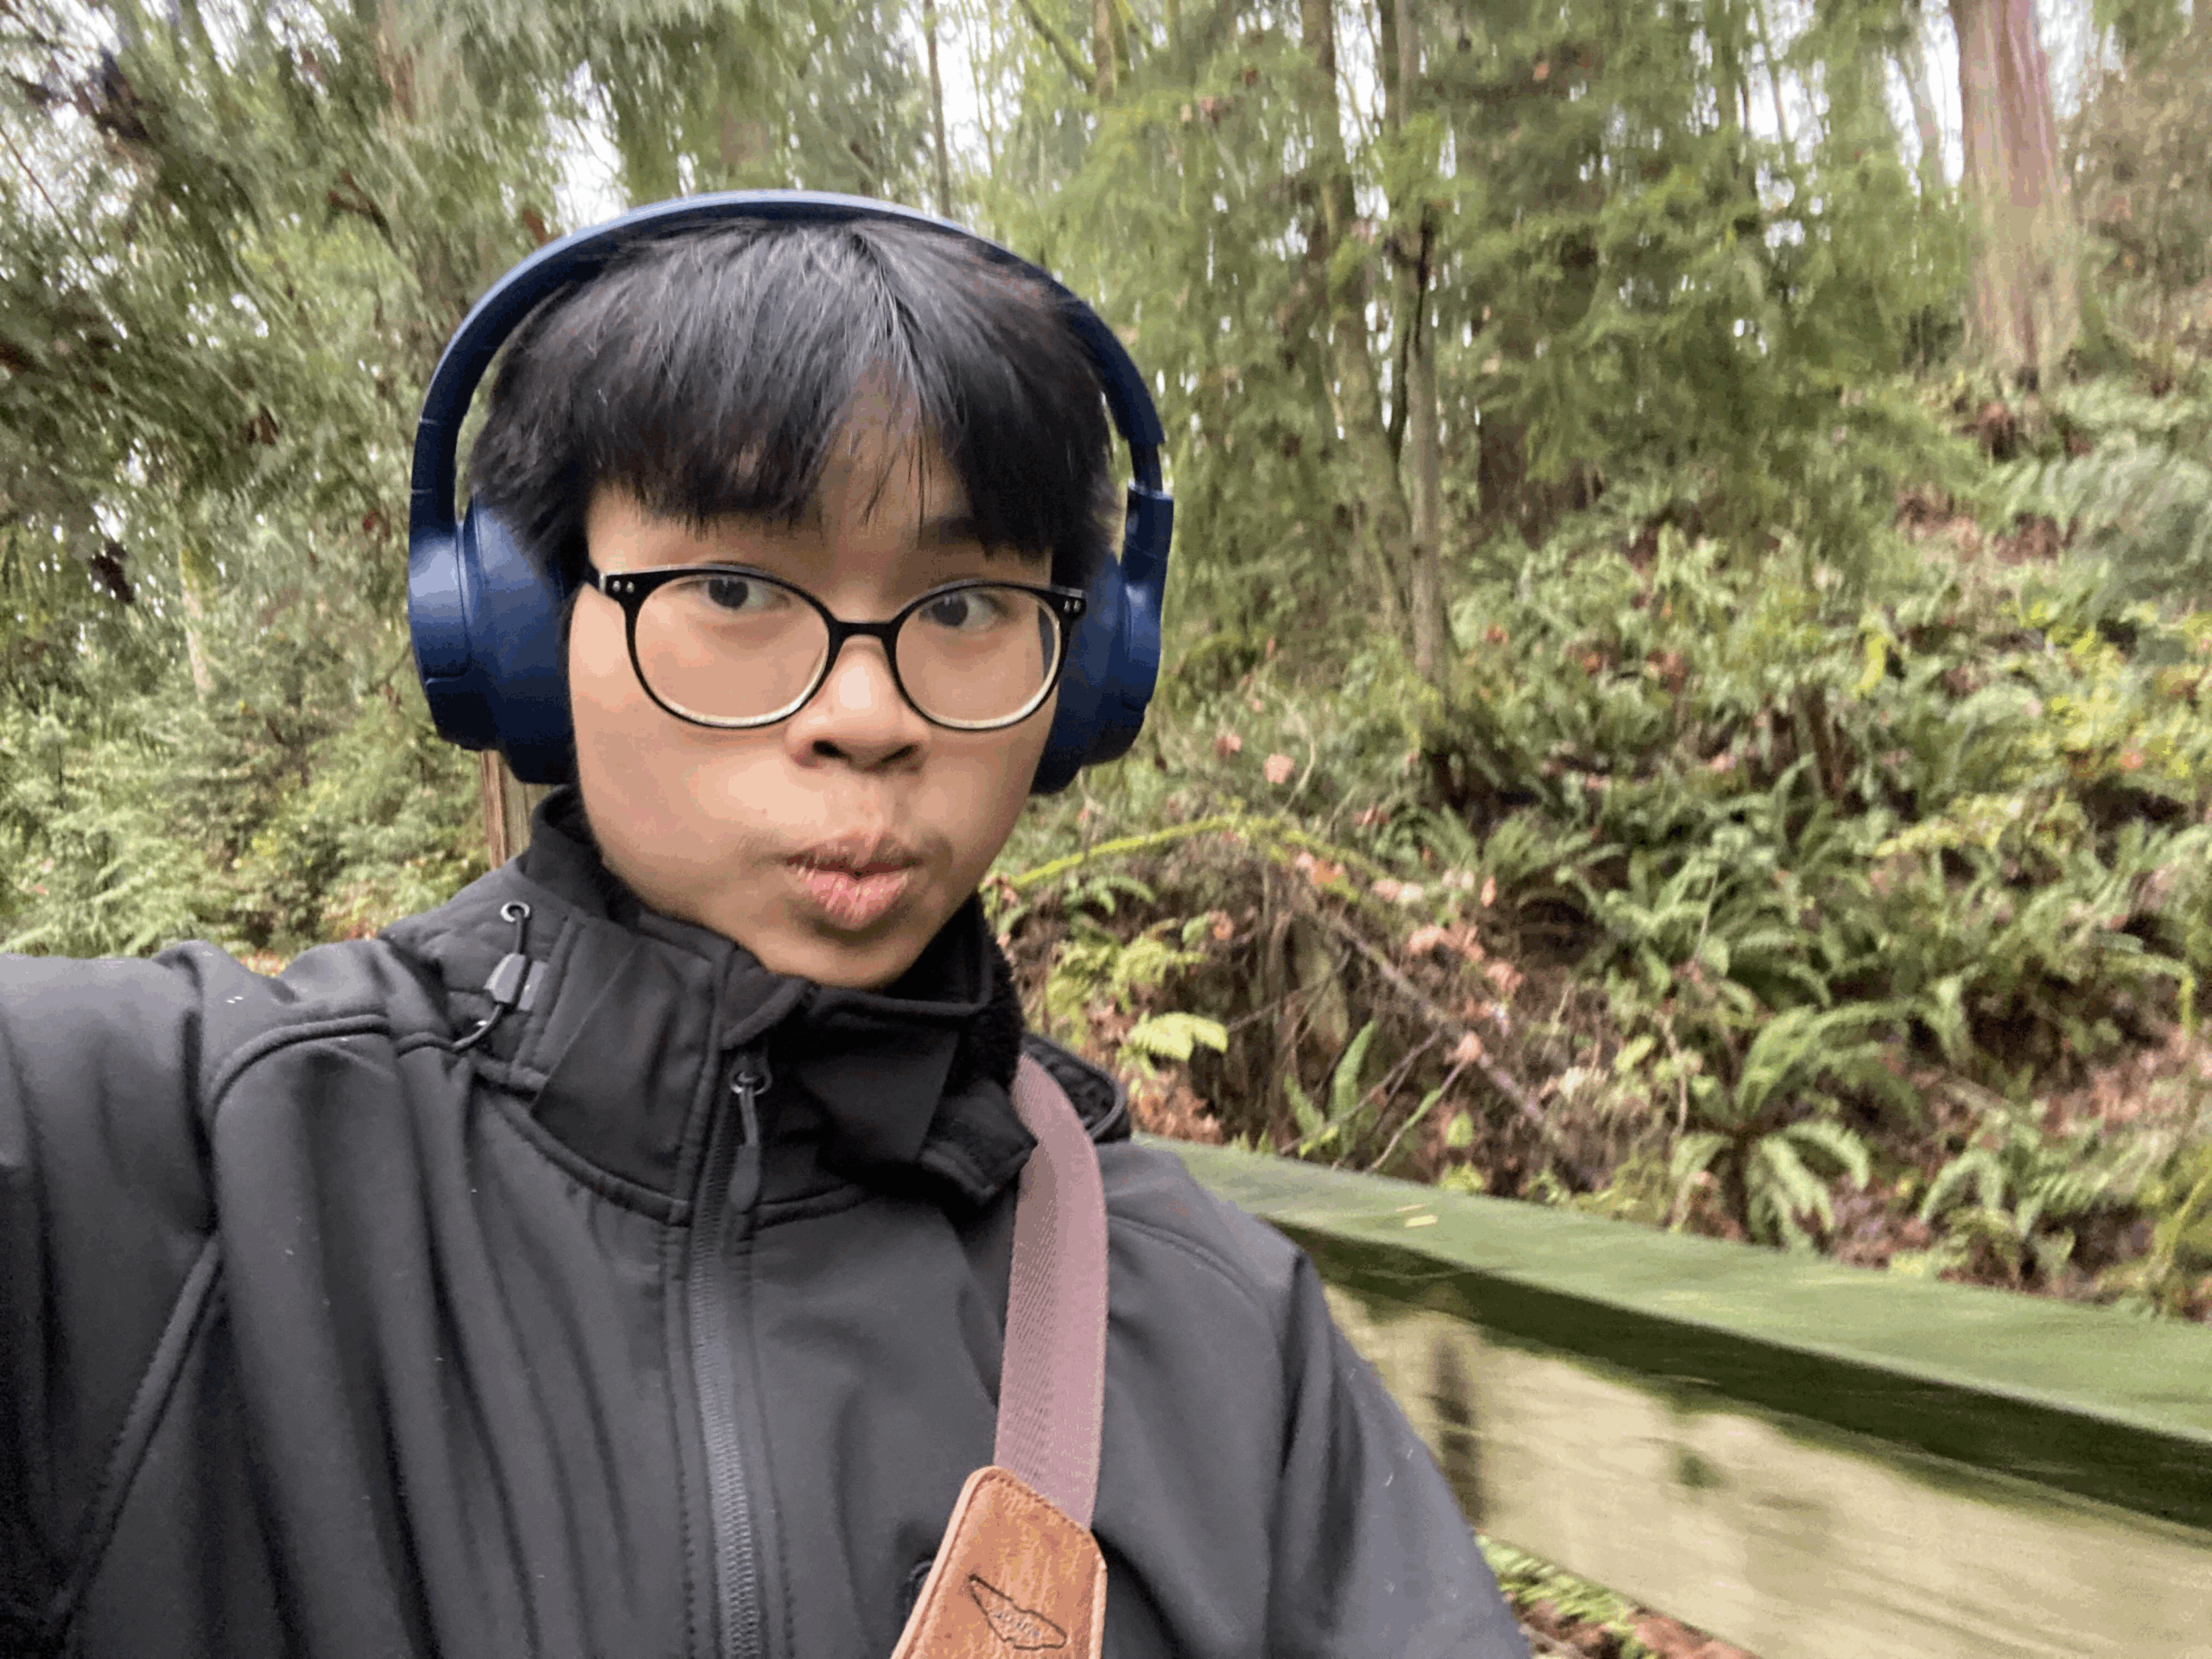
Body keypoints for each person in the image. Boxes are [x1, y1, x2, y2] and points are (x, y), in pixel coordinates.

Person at [0, 194, 1527, 1659]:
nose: (865, 714)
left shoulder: (1220, 1336)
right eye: (733, 586)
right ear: (525, 631)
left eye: (966, 606)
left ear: (1084, 680)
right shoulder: (158, 1164)